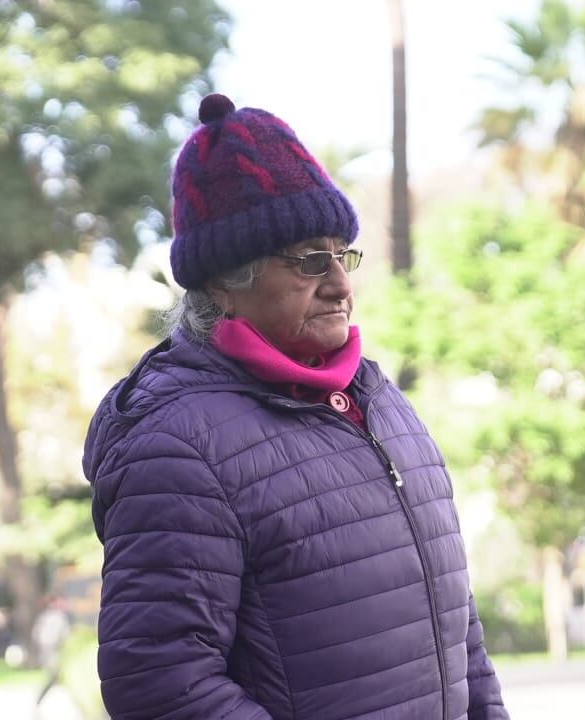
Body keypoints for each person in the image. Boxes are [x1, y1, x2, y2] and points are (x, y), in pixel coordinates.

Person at [82, 94, 509, 720]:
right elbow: (159, 685)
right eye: (310, 260)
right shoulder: (177, 444)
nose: (340, 283)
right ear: (226, 282)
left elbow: (456, 625)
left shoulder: (380, 401)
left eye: (342, 254)